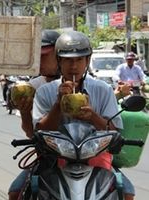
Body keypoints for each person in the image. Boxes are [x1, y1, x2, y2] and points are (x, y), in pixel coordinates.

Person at [32, 31, 135, 200]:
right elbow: (40, 130)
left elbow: (114, 131)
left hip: (95, 156)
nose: (74, 66)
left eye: (79, 59)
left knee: (127, 192)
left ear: (87, 61)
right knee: (17, 189)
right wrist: (58, 104)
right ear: (59, 61)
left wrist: (93, 117)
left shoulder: (103, 90)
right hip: (54, 158)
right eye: (68, 60)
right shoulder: (45, 92)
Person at [8, 29, 60, 200]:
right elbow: (31, 134)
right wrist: (24, 111)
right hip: (48, 158)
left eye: (44, 56)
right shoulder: (33, 87)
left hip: (86, 157)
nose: (39, 62)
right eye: (37, 57)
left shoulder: (88, 84)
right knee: (15, 192)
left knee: (124, 190)